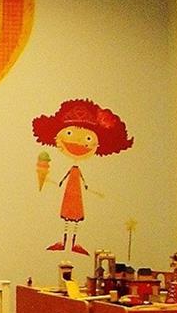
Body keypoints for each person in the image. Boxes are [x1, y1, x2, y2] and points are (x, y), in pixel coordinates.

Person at [31, 98, 134, 256]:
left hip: (76, 197)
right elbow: (61, 181)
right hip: (69, 196)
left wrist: (93, 190)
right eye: (69, 133)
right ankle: (63, 242)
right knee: (67, 218)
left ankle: (74, 243)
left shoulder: (81, 171)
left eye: (88, 139)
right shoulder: (67, 168)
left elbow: (85, 184)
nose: (78, 143)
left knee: (75, 218)